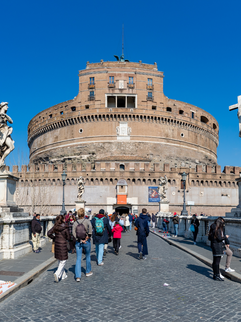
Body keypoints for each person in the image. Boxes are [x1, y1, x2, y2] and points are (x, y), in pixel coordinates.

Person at [47, 215, 71, 282]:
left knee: (59, 259)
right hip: (63, 244)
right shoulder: (65, 227)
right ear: (63, 220)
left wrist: (54, 237)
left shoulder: (55, 227)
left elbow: (48, 233)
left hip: (57, 244)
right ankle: (57, 274)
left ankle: (63, 275)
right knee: (63, 261)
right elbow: (68, 237)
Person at [72, 208, 93, 282]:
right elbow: (90, 230)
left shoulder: (75, 223)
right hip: (86, 242)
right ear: (84, 214)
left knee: (78, 258)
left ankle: (78, 276)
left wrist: (80, 240)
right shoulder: (87, 221)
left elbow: (73, 233)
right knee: (87, 256)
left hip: (78, 242)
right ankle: (88, 271)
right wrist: (86, 238)